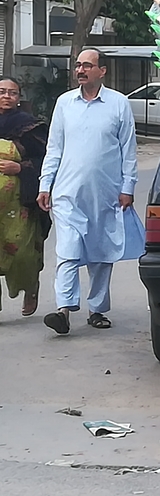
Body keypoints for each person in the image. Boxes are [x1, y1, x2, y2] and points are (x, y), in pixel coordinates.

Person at [38, 49, 139, 334]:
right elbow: (54, 148)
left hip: (106, 193)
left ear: (102, 71)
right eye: (78, 65)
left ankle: (97, 309)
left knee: (101, 253)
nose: (81, 70)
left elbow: (128, 151)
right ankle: (63, 309)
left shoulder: (118, 104)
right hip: (68, 193)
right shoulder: (65, 103)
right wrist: (46, 184)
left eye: (87, 65)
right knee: (67, 250)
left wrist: (127, 187)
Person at [0, 76, 51, 318]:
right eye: (2, 91)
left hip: (20, 201)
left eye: (13, 93)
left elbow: (47, 161)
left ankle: (31, 286)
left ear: (19, 98)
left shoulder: (29, 127)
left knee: (22, 252)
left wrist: (20, 168)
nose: (7, 96)